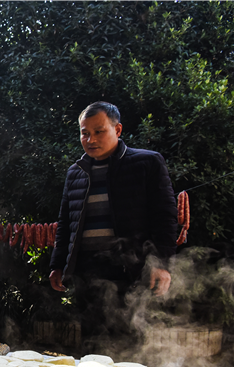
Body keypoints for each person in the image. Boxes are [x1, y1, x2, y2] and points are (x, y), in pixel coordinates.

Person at [49, 101, 177, 346]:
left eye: (99, 131)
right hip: (87, 271)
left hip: (132, 270)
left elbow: (165, 216)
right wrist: (58, 264)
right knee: (91, 344)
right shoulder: (75, 172)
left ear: (117, 130)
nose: (90, 139)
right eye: (85, 133)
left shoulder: (147, 163)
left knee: (131, 344)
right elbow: (66, 223)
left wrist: (162, 263)